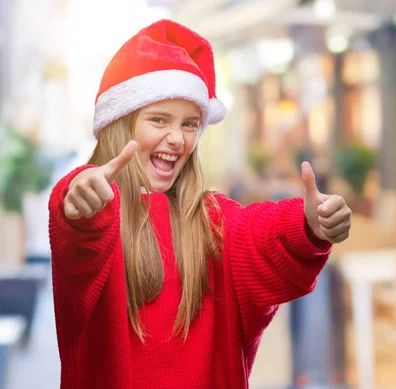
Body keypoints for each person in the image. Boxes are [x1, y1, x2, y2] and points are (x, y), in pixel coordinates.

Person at [48, 19, 352, 389]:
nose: (177, 138)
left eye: (190, 124)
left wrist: (308, 224)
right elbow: (78, 232)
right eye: (159, 120)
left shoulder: (212, 221)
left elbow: (261, 232)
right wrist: (81, 202)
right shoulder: (97, 216)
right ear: (119, 126)